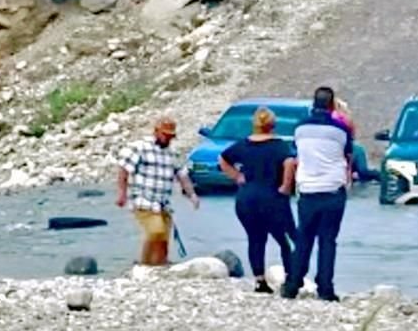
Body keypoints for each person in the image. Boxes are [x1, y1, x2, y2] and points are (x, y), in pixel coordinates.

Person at [281, 87, 353, 302]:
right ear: (332, 105)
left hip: (308, 190)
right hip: (333, 189)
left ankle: (293, 284)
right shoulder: (341, 130)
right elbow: (348, 157)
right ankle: (325, 288)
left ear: (313, 103)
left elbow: (298, 153)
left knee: (303, 238)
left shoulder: (300, 128)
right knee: (328, 240)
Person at [218, 107, 297, 293]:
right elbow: (289, 164)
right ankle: (290, 279)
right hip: (272, 199)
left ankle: (260, 281)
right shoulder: (279, 145)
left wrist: (237, 176)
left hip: (246, 199)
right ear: (273, 125)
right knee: (288, 241)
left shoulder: (243, 144)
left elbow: (222, 159)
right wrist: (285, 187)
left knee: (255, 239)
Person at [116, 118, 200, 266]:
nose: (167, 138)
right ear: (156, 132)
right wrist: (121, 194)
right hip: (143, 200)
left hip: (163, 203)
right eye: (164, 134)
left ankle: (159, 265)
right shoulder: (139, 147)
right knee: (156, 231)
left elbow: (182, 175)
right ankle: (144, 263)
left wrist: (192, 195)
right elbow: (123, 170)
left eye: (170, 136)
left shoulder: (173, 153)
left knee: (163, 237)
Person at [332, 98, 379, 182]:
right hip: (345, 147)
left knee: (362, 171)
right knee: (362, 171)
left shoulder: (339, 118)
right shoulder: (343, 118)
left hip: (346, 148)